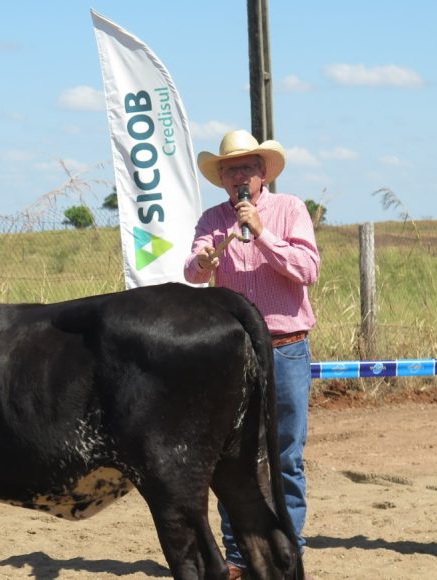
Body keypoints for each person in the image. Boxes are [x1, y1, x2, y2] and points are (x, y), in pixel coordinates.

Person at [184, 129, 320, 579]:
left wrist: (262, 235)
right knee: (233, 458)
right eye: (230, 169)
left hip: (285, 348)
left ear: (263, 173)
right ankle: (239, 556)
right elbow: (193, 270)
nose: (238, 175)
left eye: (246, 167)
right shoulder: (211, 219)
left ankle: (287, 549)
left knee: (285, 455)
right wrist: (203, 263)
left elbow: (308, 269)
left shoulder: (290, 210)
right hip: (233, 354)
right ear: (221, 178)